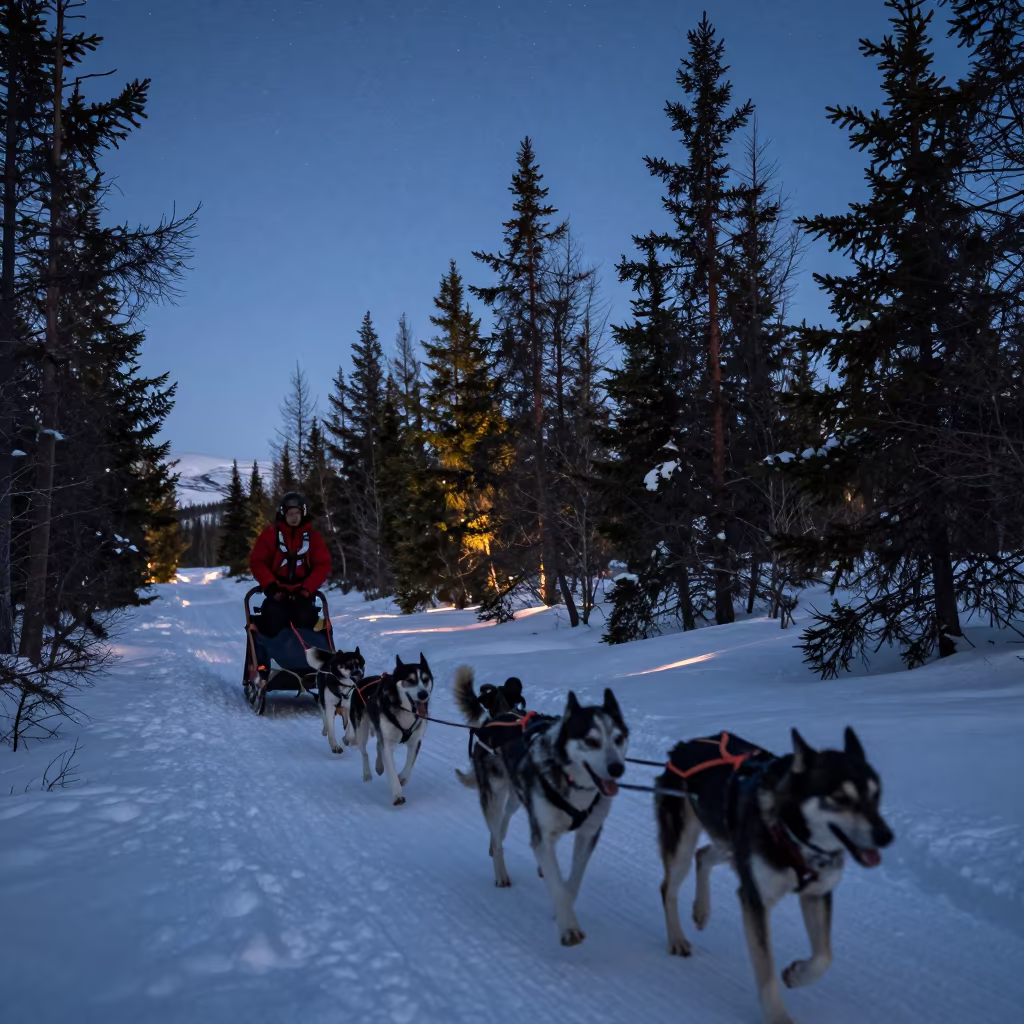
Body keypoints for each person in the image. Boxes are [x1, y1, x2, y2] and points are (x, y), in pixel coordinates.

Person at [249, 492, 331, 673]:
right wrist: (270, 585)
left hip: (303, 594)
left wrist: (307, 589)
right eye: (290, 514)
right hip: (277, 593)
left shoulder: (313, 538)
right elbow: (257, 562)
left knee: (308, 623)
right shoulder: (270, 535)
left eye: (297, 513)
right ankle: (265, 666)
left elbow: (322, 565)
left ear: (302, 514)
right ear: (283, 514)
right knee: (270, 622)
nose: (294, 518)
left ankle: (312, 666)